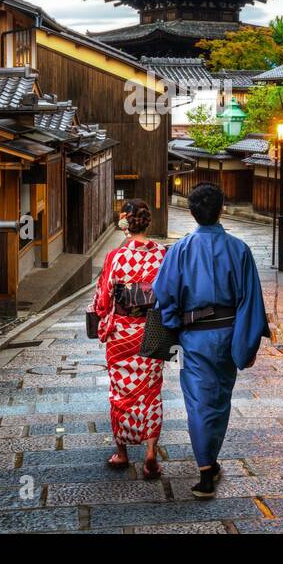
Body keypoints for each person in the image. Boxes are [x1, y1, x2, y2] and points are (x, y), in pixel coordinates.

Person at [154, 183, 269, 498]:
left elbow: (164, 293)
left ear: (192, 213)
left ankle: (206, 469)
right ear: (221, 210)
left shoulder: (180, 249)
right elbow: (250, 300)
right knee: (219, 400)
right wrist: (247, 344)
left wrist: (174, 324)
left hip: (194, 337)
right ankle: (209, 462)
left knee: (198, 402)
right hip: (229, 334)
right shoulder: (239, 249)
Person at [91, 200, 167, 478]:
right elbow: (170, 293)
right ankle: (150, 453)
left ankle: (122, 453)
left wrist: (103, 313)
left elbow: (103, 300)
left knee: (120, 391)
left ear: (126, 224)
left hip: (122, 333)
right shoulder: (162, 254)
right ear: (147, 222)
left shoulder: (116, 257)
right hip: (152, 331)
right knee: (151, 391)